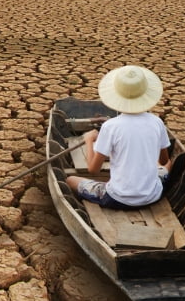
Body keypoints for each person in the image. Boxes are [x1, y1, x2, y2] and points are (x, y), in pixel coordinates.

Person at [65, 65, 171, 209]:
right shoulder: (157, 122)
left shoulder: (111, 126)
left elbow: (93, 170)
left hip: (117, 198)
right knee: (168, 165)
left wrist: (89, 140)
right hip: (152, 196)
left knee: (71, 180)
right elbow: (164, 160)